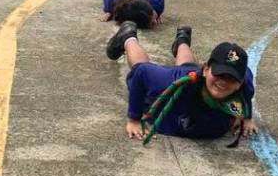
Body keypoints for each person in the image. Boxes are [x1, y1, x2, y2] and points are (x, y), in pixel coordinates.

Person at [108, 22, 257, 145]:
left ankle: (182, 39)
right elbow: (142, 72)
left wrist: (247, 118)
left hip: (192, 78)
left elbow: (248, 78)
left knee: (187, 64)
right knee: (141, 64)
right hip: (166, 100)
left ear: (240, 82)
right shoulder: (172, 81)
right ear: (205, 69)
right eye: (219, 74)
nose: (223, 81)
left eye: (231, 78)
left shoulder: (243, 86)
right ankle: (128, 37)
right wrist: (134, 119)